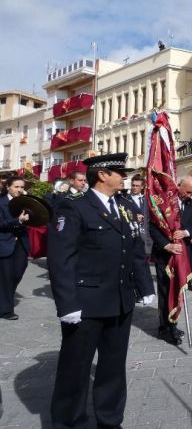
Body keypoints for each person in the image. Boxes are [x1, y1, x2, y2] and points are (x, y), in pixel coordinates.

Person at [47, 153, 154, 428]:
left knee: (113, 368)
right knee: (75, 369)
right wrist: (67, 304)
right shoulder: (74, 208)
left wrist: (144, 286)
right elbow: (61, 260)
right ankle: (69, 422)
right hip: (86, 304)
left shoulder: (125, 205)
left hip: (120, 300)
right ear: (103, 175)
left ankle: (109, 420)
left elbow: (135, 249)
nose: (125, 177)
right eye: (119, 172)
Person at [149, 175, 192, 344]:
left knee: (178, 291)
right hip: (164, 255)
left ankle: (174, 322)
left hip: (183, 255)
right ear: (179, 185)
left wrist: (186, 233)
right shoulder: (163, 202)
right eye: (187, 192)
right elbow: (153, 227)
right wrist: (167, 245)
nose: (190, 196)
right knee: (166, 292)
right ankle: (165, 328)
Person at [0, 176, 31, 320]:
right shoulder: (1, 202)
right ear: (8, 187)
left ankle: (3, 301)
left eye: (22, 187)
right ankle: (6, 310)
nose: (20, 190)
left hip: (21, 244)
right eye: (16, 187)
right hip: (5, 243)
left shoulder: (24, 203)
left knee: (17, 274)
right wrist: (18, 221)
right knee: (6, 277)